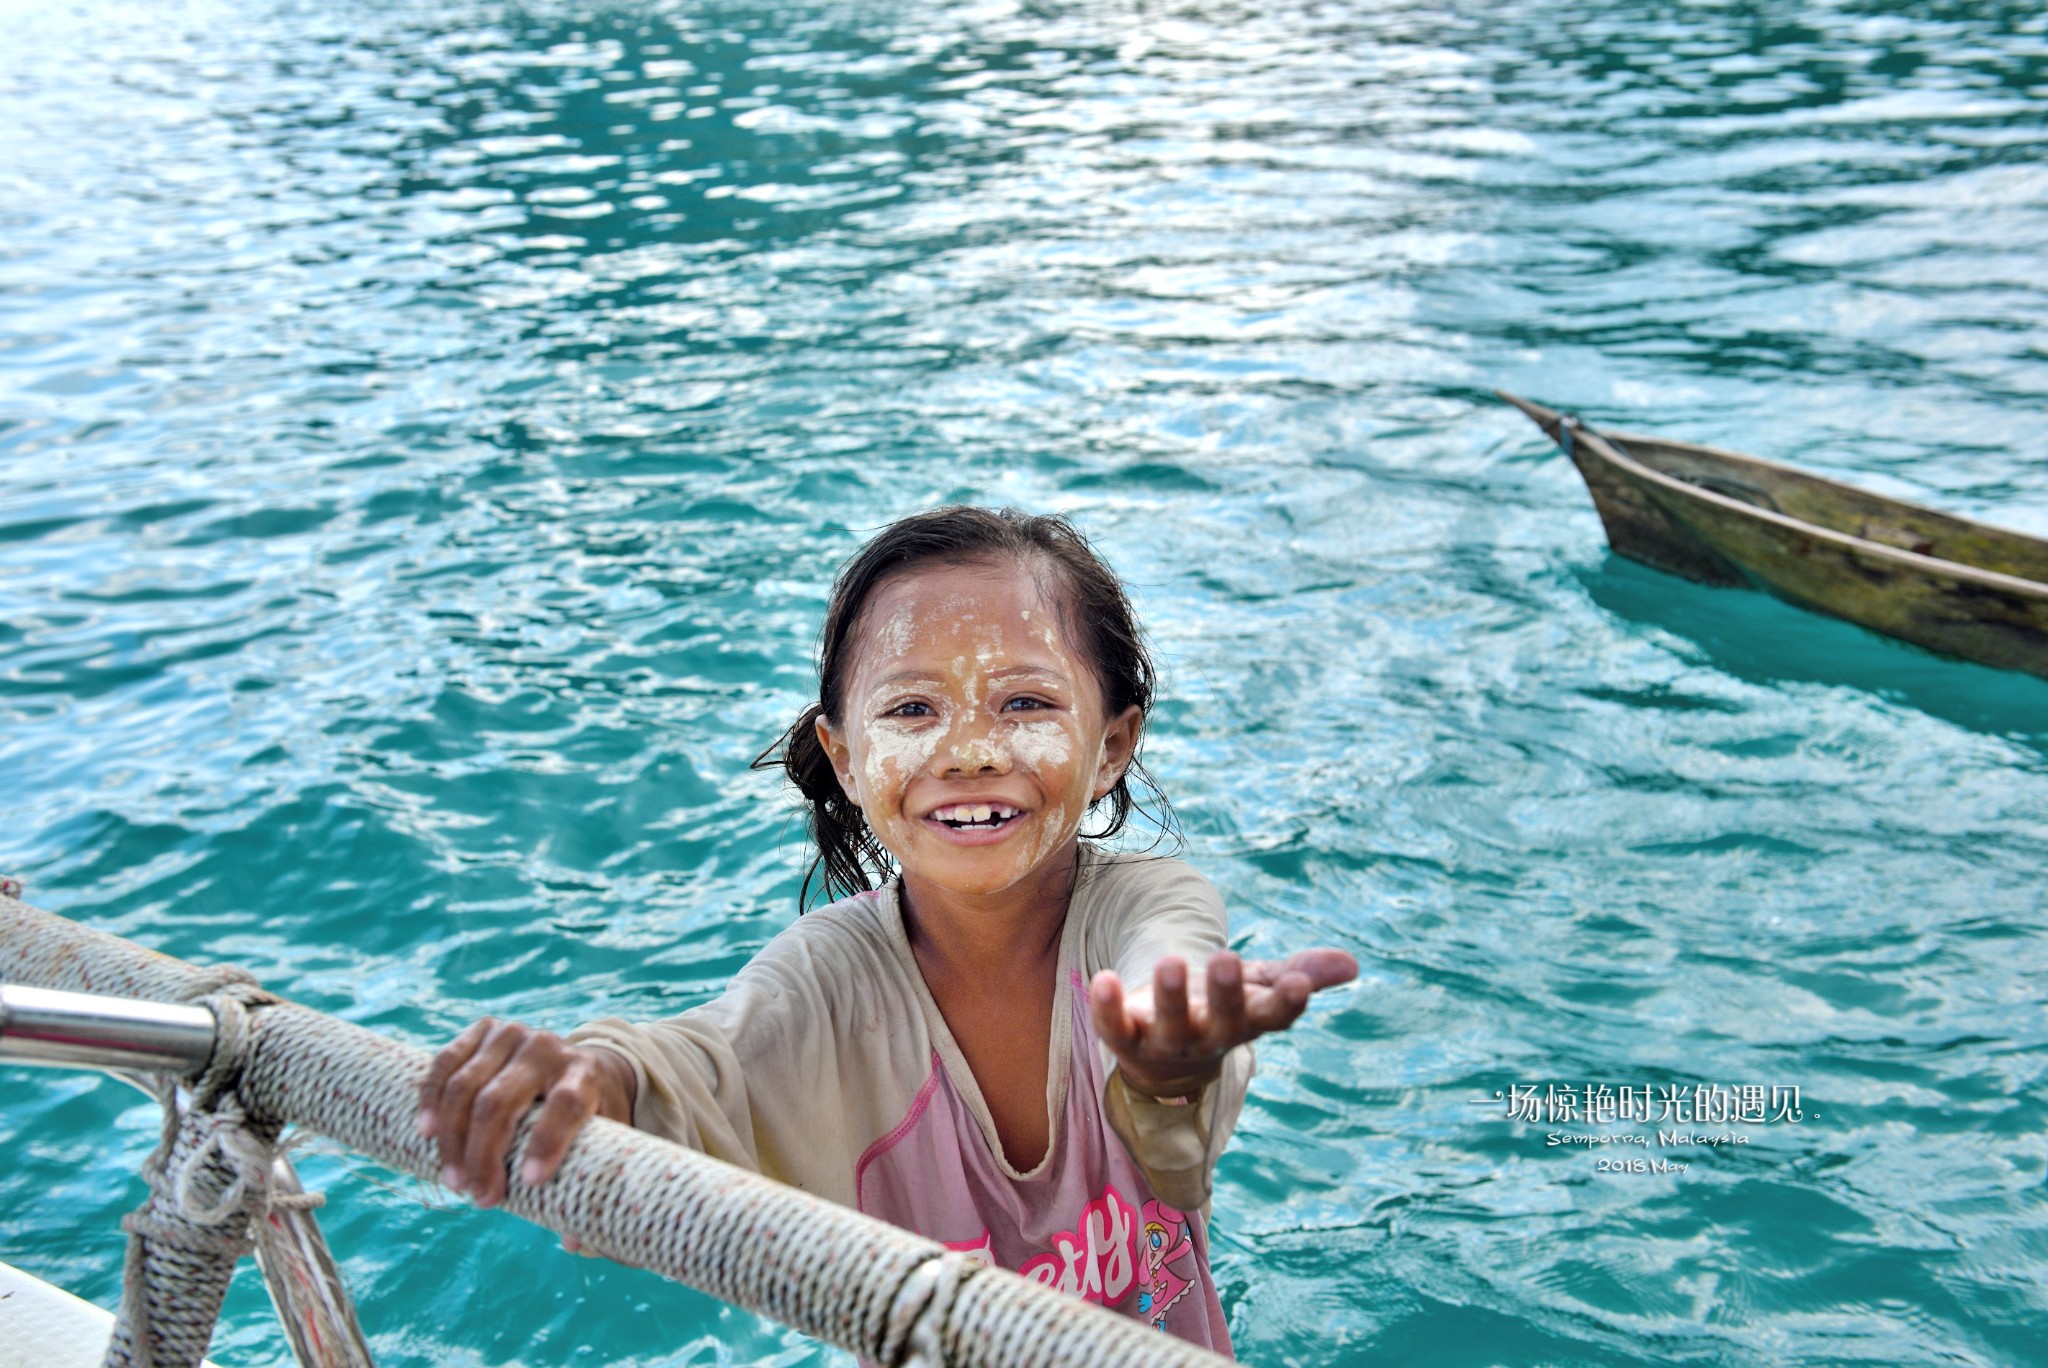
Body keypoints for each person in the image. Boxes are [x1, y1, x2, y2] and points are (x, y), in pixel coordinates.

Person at [416, 506, 1356, 1353]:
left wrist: (1169, 1059)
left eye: (1025, 702)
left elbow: (1168, 966)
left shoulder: (1143, 910)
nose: (971, 751)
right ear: (847, 756)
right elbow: (696, 1070)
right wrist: (600, 1073)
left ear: (1112, 745)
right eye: (912, 709)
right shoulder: (828, 987)